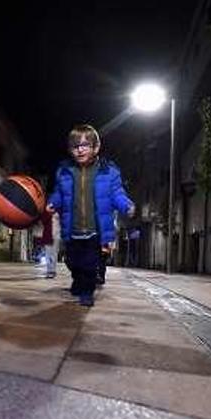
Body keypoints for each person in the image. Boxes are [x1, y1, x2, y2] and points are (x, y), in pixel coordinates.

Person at [47, 124, 135, 306]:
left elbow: (117, 193)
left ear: (96, 147)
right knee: (72, 261)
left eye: (85, 145)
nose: (80, 149)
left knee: (89, 263)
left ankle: (87, 291)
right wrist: (53, 203)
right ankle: (78, 281)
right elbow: (59, 193)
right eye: (75, 146)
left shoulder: (109, 171)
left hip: (96, 229)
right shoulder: (64, 171)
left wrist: (126, 205)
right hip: (72, 228)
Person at [37, 209, 59, 278]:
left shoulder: (58, 212)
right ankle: (49, 270)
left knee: (54, 254)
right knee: (48, 254)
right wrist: (48, 213)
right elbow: (42, 221)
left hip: (56, 235)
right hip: (48, 235)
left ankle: (53, 270)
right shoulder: (46, 212)